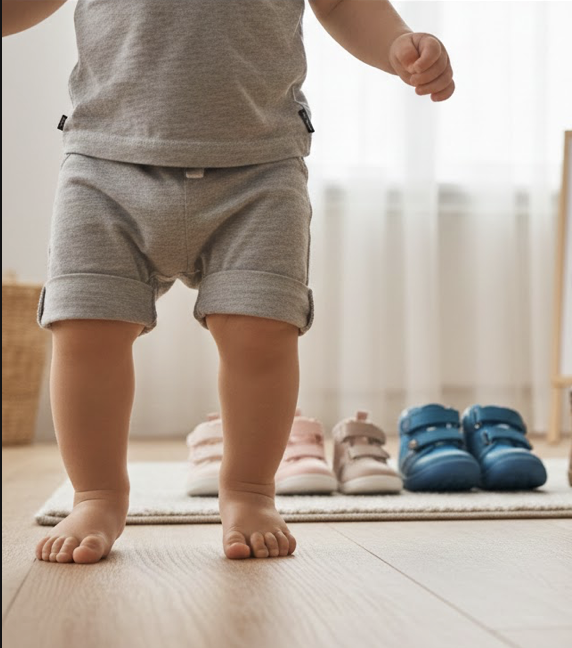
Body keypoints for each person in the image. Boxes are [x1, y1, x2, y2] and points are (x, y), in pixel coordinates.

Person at [2, 0, 454, 563]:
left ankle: (248, 490)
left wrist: (397, 44)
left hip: (258, 170)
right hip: (106, 163)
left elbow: (342, 4)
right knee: (85, 329)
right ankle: (96, 493)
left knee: (260, 334)